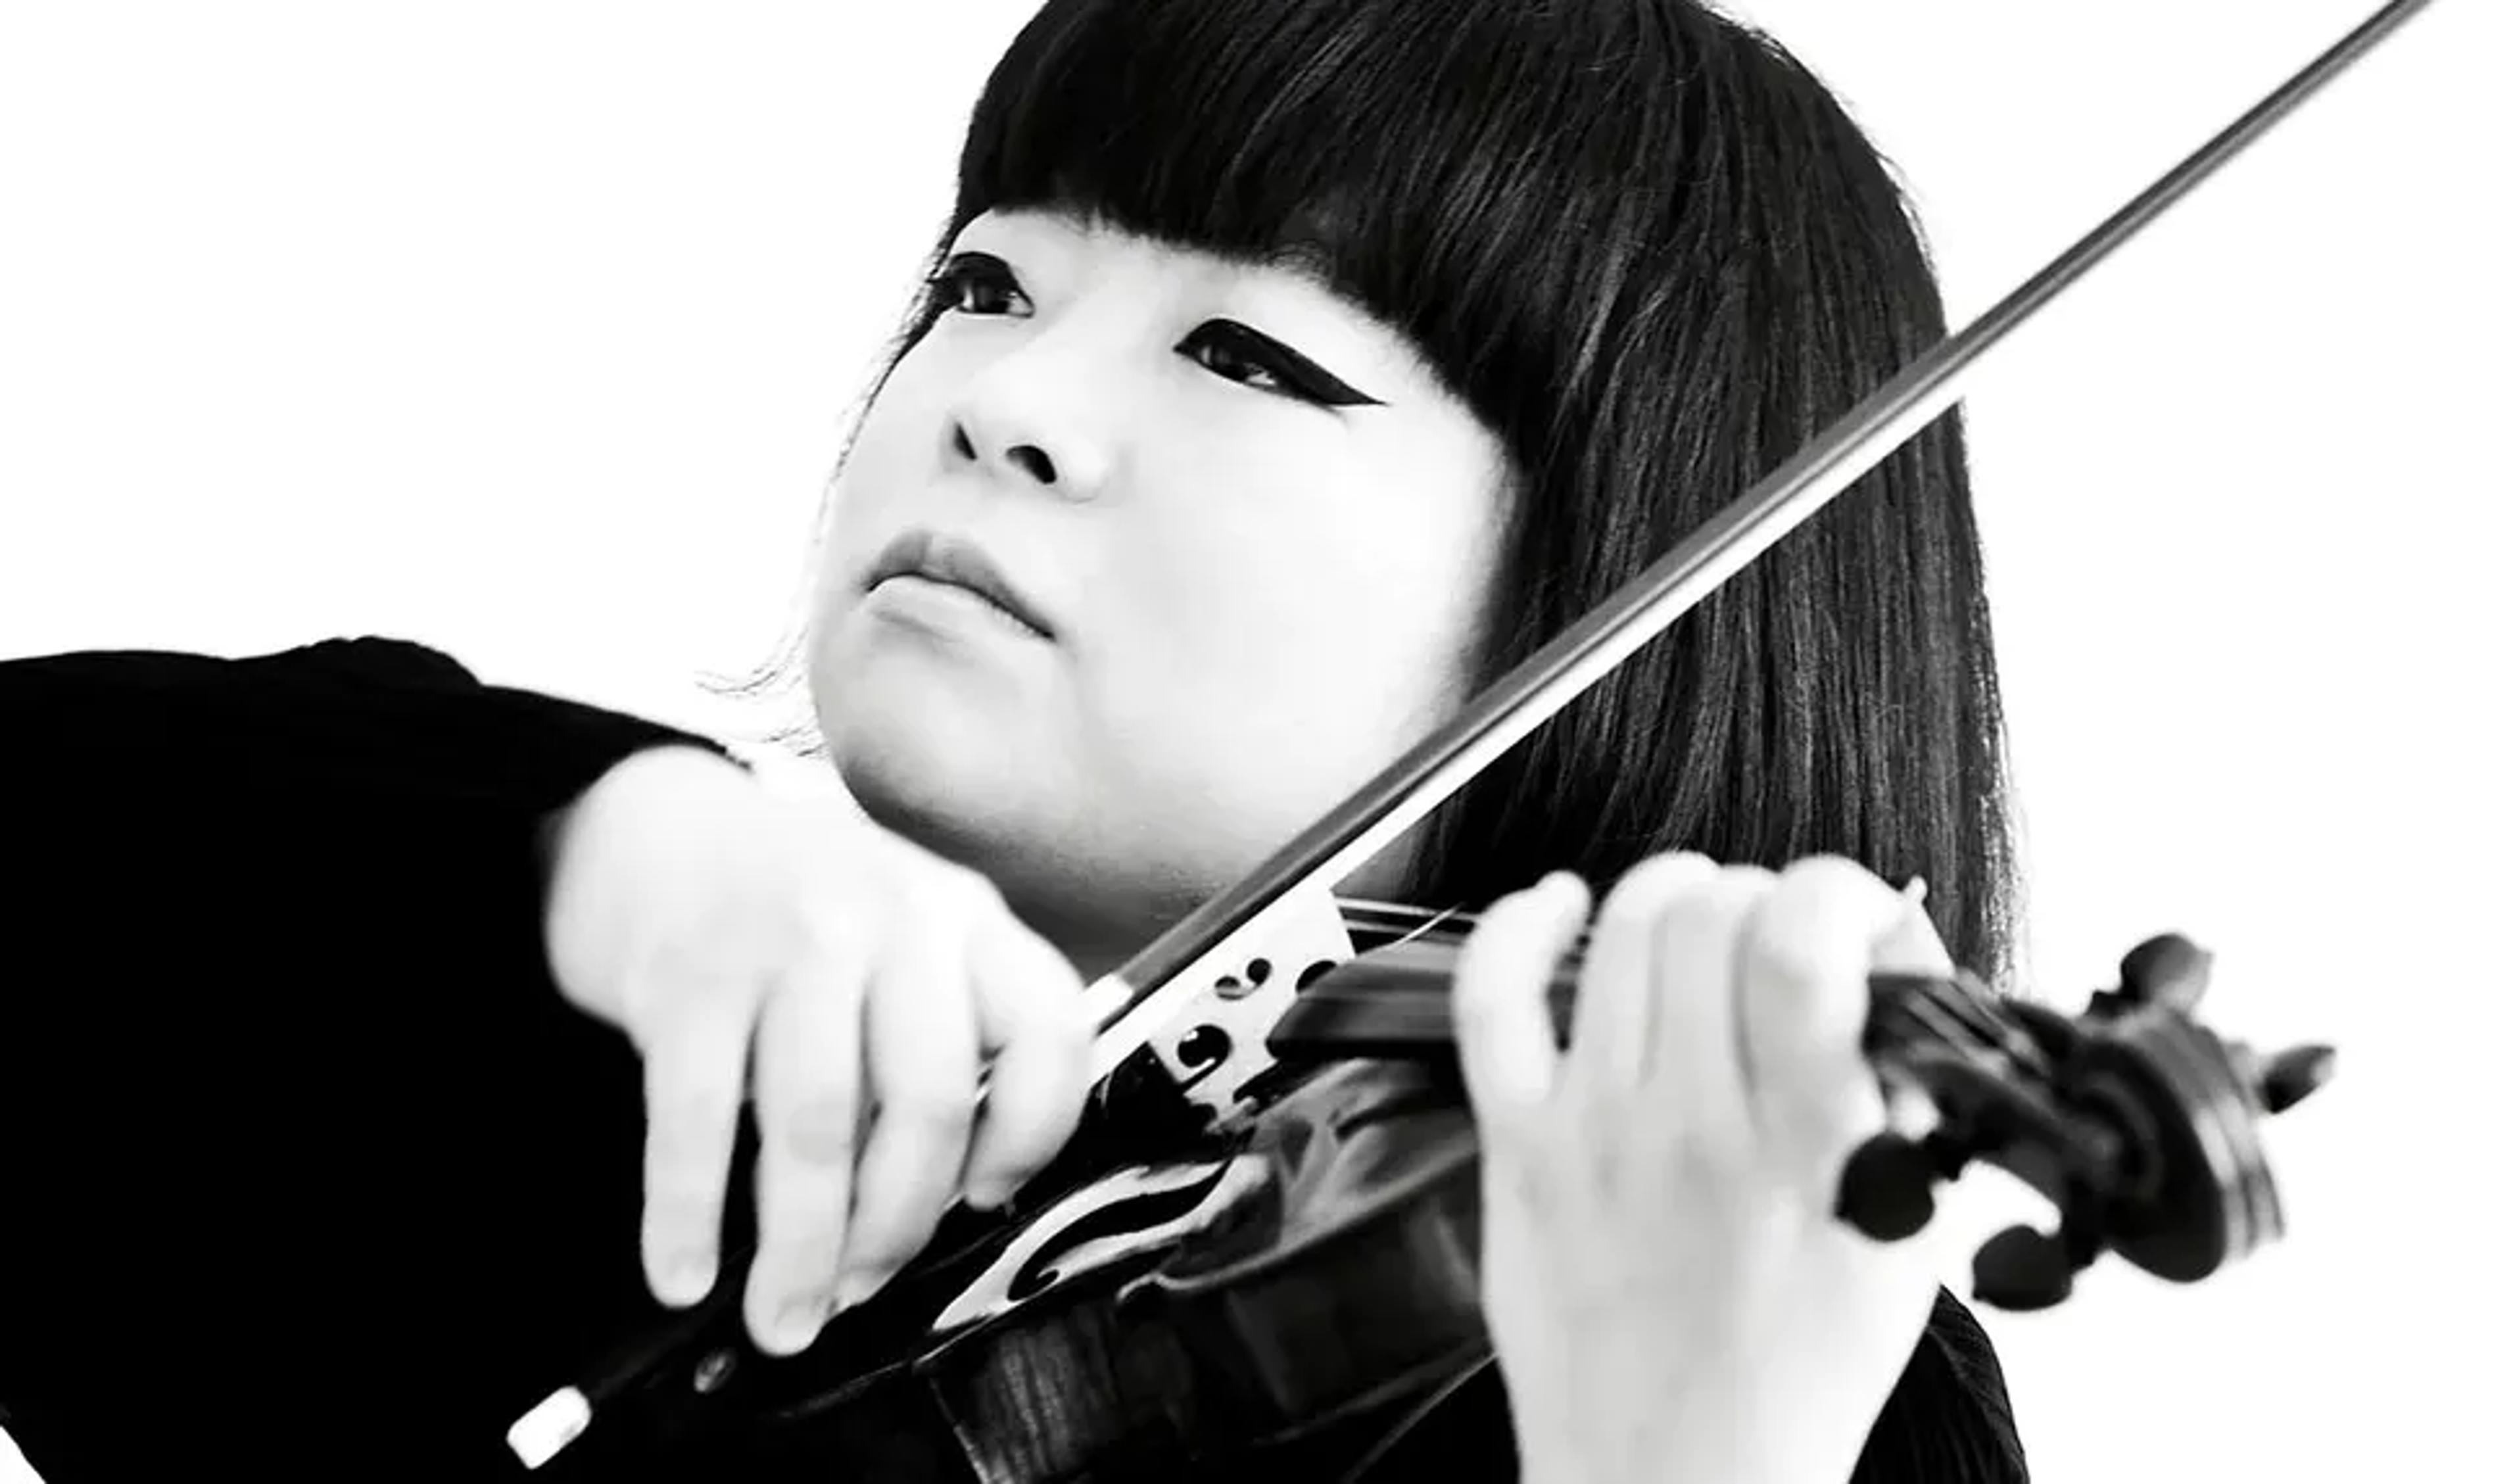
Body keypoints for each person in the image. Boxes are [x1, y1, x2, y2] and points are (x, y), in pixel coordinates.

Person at [0, 0, 2028, 1479]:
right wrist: (589, 849)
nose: (1008, 393)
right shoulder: (667, 1060)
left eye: (1251, 352)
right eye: (984, 280)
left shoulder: (1756, 1314)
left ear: (1637, 578)